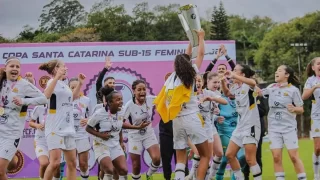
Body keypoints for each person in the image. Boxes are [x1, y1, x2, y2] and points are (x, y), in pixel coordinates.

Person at [154, 29, 209, 180]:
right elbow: (201, 55)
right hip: (191, 118)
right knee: (205, 155)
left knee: (180, 159)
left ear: (175, 66)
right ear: (188, 64)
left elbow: (186, 55)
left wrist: (191, 41)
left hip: (176, 121)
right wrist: (201, 38)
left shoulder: (171, 79)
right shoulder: (191, 76)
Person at [86, 87, 149, 180]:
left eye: (121, 99)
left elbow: (120, 125)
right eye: (118, 100)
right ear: (110, 102)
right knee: (109, 170)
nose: (121, 102)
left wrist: (137, 127)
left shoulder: (122, 110)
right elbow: (88, 128)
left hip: (115, 145)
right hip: (101, 144)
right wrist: (101, 135)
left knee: (123, 170)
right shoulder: (99, 113)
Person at [0, 56, 47, 180]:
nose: (15, 69)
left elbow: (44, 98)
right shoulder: (2, 82)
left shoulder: (23, 84)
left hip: (11, 134)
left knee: (0, 171)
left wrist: (23, 101)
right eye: (12, 66)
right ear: (5, 69)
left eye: (17, 66)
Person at [39, 59, 86, 180]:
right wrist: (56, 77)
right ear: (55, 69)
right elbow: (46, 96)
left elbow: (72, 98)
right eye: (63, 66)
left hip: (68, 128)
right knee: (55, 163)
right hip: (55, 127)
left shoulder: (64, 85)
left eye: (66, 66)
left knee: (72, 163)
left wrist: (80, 83)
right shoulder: (51, 82)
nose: (66, 68)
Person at [259, 65, 306, 180]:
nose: (276, 72)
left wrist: (294, 109)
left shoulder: (293, 90)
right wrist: (248, 81)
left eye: (279, 70)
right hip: (274, 129)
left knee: (294, 157)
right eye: (276, 70)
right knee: (276, 157)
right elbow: (258, 93)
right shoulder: (271, 87)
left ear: (287, 75)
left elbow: (301, 109)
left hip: (289, 129)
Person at [220, 64, 262, 180]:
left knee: (250, 159)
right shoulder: (236, 87)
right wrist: (223, 81)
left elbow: (253, 83)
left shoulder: (248, 85)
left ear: (242, 74)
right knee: (229, 154)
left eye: (235, 70)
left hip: (251, 125)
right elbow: (228, 94)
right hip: (240, 126)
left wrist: (233, 75)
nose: (232, 72)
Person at [187, 73, 227, 180]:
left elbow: (225, 101)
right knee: (202, 157)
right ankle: (193, 176)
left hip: (209, 129)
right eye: (195, 81)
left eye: (199, 81)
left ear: (203, 82)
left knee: (209, 157)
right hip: (195, 130)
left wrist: (211, 99)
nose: (198, 83)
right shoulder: (189, 96)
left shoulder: (209, 93)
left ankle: (208, 177)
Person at [123, 79, 160, 180]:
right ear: (134, 91)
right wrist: (137, 127)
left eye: (144, 89)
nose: (142, 92)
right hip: (134, 136)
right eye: (139, 90)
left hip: (148, 133)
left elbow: (163, 98)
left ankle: (149, 174)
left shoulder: (150, 99)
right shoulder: (129, 105)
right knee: (136, 166)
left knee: (157, 159)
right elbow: (121, 123)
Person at [159, 72, 189, 180]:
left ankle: (184, 177)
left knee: (181, 159)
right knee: (166, 159)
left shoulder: (181, 97)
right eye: (167, 80)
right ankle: (167, 178)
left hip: (180, 132)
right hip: (166, 134)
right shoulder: (162, 97)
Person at [69, 77, 92, 180]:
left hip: (82, 135)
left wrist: (88, 120)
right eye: (72, 87)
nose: (74, 89)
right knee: (71, 164)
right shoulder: (65, 100)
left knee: (83, 164)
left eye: (77, 86)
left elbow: (93, 116)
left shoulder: (86, 100)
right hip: (68, 136)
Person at [302, 57, 320, 180]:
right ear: (313, 67)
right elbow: (304, 96)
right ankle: (316, 174)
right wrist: (314, 87)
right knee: (318, 148)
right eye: (318, 64)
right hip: (317, 116)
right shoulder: (310, 80)